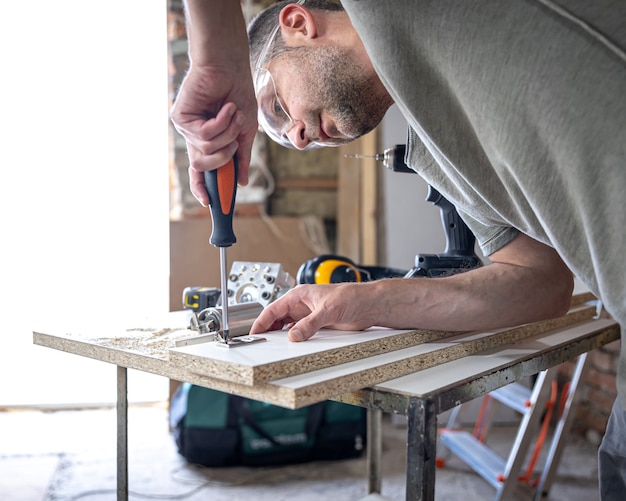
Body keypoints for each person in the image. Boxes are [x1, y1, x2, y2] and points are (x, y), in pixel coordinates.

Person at [170, 1, 626, 499]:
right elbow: (541, 281)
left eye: (276, 107)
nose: (297, 140)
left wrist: (216, 62)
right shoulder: (437, 156)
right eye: (284, 138)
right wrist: (364, 303)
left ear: (299, 24)